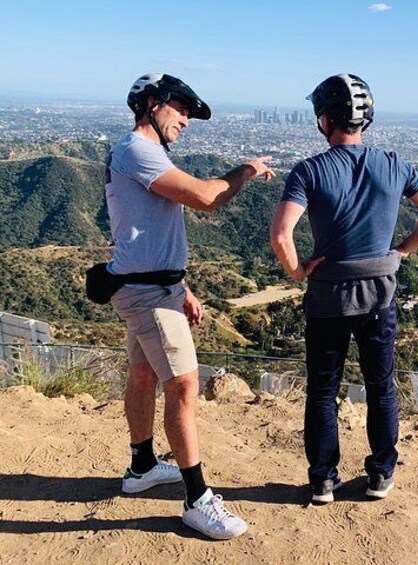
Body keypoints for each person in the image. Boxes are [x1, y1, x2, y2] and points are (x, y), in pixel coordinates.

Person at [106, 73, 275, 539]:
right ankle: (198, 499)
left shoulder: (145, 153)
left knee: (142, 375)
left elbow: (150, 237)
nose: (185, 119)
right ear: (152, 104)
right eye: (179, 109)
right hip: (148, 294)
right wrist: (244, 171)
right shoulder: (137, 150)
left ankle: (142, 466)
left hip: (150, 287)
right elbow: (204, 198)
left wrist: (181, 287)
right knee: (183, 387)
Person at [270, 74, 418, 504]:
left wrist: (297, 271)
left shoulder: (309, 171)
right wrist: (403, 249)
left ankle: (322, 480)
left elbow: (281, 235)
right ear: (365, 120)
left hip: (327, 297)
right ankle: (381, 475)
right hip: (380, 294)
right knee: (381, 385)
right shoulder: (394, 165)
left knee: (323, 389)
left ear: (325, 119)